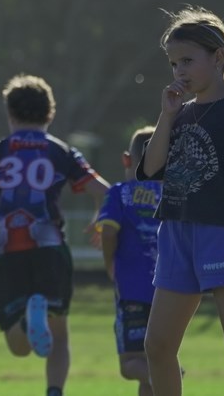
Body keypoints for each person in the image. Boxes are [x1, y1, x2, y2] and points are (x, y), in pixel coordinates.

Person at [138, 7, 224, 396]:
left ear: (218, 58)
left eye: (188, 60)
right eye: (173, 64)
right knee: (158, 346)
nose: (179, 71)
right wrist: (166, 116)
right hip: (176, 234)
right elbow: (151, 168)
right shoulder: (180, 114)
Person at [0, 73, 110, 396]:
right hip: (50, 247)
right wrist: (100, 221)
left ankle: (28, 322)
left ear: (10, 114)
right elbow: (104, 192)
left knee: (19, 346)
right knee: (59, 333)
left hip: (5, 251)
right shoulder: (62, 151)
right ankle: (54, 391)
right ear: (50, 113)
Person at [96, 126, 163, 396]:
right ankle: (163, 375)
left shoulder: (120, 193)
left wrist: (109, 263)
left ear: (127, 159)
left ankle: (169, 375)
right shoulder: (173, 194)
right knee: (156, 357)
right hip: (170, 290)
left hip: (132, 290)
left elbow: (108, 232)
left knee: (130, 363)